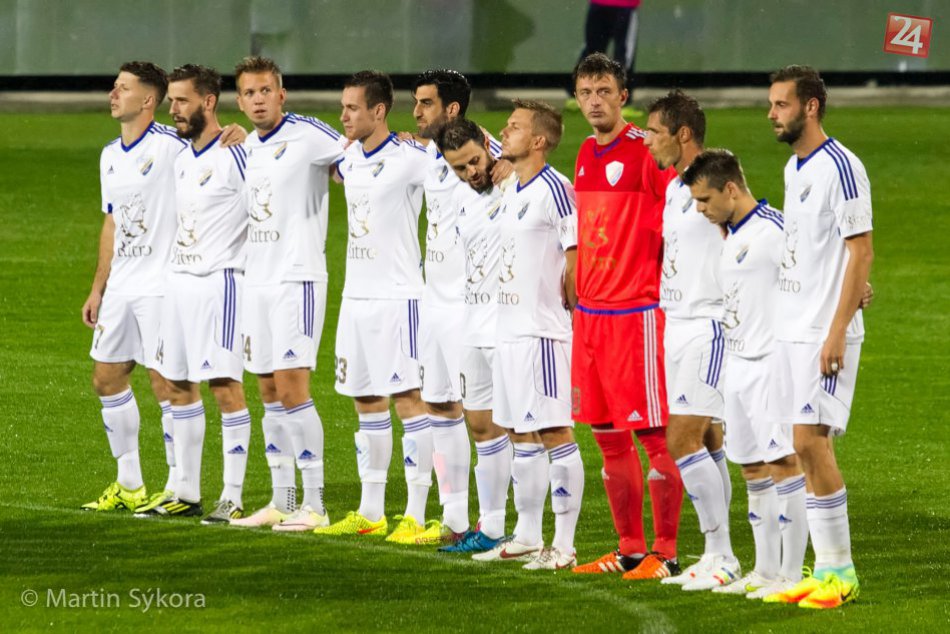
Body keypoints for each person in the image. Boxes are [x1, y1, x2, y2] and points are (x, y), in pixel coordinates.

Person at [569, 53, 684, 580]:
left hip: (635, 313)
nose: (594, 100)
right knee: (607, 437)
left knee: (653, 435)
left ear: (623, 97)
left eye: (604, 90)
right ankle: (631, 547)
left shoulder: (646, 153)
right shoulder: (585, 153)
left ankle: (666, 550)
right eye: (586, 91)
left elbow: (688, 213)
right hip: (589, 317)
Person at [762, 65, 873, 609]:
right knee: (799, 445)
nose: (771, 114)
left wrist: (837, 328)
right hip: (792, 327)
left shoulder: (842, 167)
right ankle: (826, 568)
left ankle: (841, 572)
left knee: (811, 441)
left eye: (781, 104)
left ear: (810, 107)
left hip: (823, 333)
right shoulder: (794, 167)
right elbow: (816, 247)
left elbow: (861, 248)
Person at [681, 149, 810, 598]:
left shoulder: (775, 231)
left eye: (704, 199)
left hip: (772, 364)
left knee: (783, 464)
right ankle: (765, 570)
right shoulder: (730, 233)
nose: (700, 209)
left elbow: (815, 276)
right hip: (737, 364)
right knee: (752, 467)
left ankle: (792, 576)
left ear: (730, 189)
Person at [314, 71, 434, 542]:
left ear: (379, 111)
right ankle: (370, 510)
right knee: (366, 401)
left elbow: (475, 154)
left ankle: (417, 513)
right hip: (356, 298)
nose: (343, 116)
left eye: (352, 108)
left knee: (410, 400)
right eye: (342, 107)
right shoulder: (348, 158)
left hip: (400, 298)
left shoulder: (411, 158)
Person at [229, 56, 346, 532]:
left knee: (293, 386)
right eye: (248, 94)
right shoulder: (247, 146)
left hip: (297, 279)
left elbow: (353, 162)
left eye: (264, 91)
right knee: (267, 389)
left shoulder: (310, 134)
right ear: (240, 101)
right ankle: (282, 499)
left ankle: (315, 504)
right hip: (255, 280)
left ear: (281, 94)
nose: (257, 100)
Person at [133, 65, 251, 521]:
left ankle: (233, 496)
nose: (172, 109)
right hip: (178, 285)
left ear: (208, 102)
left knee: (224, 386)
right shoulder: (183, 157)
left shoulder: (239, 153)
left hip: (219, 283)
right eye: (171, 101)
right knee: (176, 385)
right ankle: (184, 490)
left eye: (181, 101)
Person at [471, 100, 584, 570]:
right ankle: (527, 535)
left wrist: (571, 316)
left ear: (538, 140)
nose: (505, 132)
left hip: (542, 333)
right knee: (520, 431)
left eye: (514, 127)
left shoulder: (556, 190)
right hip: (510, 331)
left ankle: (564, 543)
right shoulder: (513, 188)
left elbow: (577, 255)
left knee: (556, 431)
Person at [644, 90, 739, 590]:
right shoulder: (677, 187)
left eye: (654, 131)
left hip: (708, 325)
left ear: (682, 134)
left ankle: (721, 555)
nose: (647, 140)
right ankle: (716, 554)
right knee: (706, 438)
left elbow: (752, 233)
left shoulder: (714, 181)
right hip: (677, 323)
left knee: (680, 439)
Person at [80, 61, 185, 513]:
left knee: (166, 384)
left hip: (162, 285)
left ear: (147, 100)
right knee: (106, 378)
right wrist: (98, 287)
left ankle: (180, 487)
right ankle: (129, 484)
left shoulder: (172, 146)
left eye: (122, 88)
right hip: (122, 286)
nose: (112, 93)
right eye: (113, 86)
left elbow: (214, 151)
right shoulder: (109, 154)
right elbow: (112, 221)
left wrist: (233, 135)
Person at [434, 117, 516, 554]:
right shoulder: (463, 197)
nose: (471, 173)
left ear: (488, 145)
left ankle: (534, 532)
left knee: (527, 429)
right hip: (473, 321)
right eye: (459, 168)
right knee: (481, 425)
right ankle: (492, 526)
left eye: (474, 162)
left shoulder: (518, 179)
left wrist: (511, 163)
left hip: (512, 325)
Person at [410, 69, 478, 544]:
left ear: (452, 110)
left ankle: (497, 520)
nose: (416, 112)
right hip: (434, 303)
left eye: (426, 104)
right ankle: (454, 517)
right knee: (438, 405)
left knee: (486, 418)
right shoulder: (429, 156)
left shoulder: (483, 157)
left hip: (471, 308)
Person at [567, 0, 642, 115]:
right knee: (592, 52)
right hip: (601, 5)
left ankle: (622, 103)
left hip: (623, 6)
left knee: (623, 55)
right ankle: (578, 95)